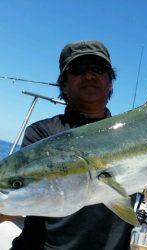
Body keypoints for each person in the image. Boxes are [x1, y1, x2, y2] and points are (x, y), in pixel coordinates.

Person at [10, 40, 135, 250]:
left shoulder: (132, 133)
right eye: (78, 69)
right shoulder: (42, 133)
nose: (88, 75)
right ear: (64, 84)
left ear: (110, 81)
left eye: (97, 68)